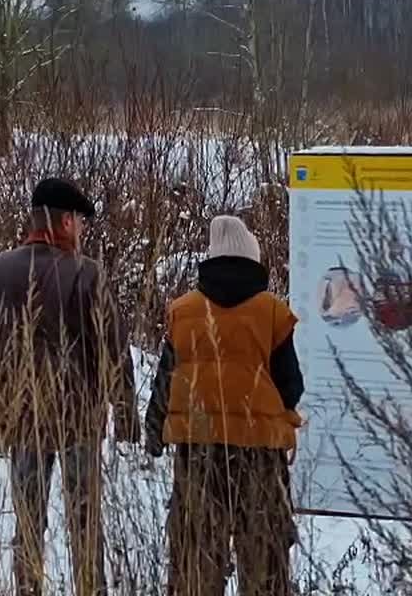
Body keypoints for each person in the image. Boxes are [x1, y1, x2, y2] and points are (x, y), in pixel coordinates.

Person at [0, 177, 139, 596]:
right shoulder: (87, 273)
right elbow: (114, 352)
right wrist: (127, 417)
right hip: (78, 421)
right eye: (79, 222)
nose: (81, 231)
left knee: (27, 522)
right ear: (65, 222)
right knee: (85, 523)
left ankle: (28, 590)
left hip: (23, 420)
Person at [144, 215, 305, 596]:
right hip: (260, 457)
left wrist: (154, 432)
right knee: (264, 561)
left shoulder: (183, 311)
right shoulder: (272, 312)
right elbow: (291, 386)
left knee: (196, 559)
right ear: (253, 259)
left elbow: (166, 378)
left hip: (198, 454)